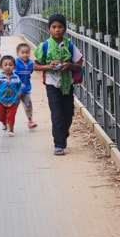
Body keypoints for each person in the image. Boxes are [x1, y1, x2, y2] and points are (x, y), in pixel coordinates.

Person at [33, 14, 83, 155]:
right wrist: (49, 66)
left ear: (65, 29)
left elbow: (79, 66)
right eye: (54, 27)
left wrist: (69, 65)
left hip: (68, 84)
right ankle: (59, 144)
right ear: (49, 29)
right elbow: (35, 66)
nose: (57, 30)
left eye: (60, 27)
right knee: (57, 114)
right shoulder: (44, 46)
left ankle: (63, 133)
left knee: (68, 113)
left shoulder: (70, 46)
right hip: (52, 85)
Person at [0, 55, 23, 137]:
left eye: (10, 65)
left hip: (13, 101)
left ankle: (11, 130)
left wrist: (19, 92)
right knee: (1, 117)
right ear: (1, 67)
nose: (8, 67)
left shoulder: (16, 78)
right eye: (6, 65)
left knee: (11, 117)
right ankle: (4, 122)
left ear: (14, 67)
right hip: (2, 101)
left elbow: (20, 86)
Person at [14, 43, 38, 129]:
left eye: (27, 52)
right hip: (16, 90)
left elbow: (30, 72)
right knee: (13, 107)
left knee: (28, 106)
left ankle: (30, 121)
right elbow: (13, 74)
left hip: (26, 90)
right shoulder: (16, 63)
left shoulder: (31, 63)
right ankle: (9, 120)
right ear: (18, 53)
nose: (25, 54)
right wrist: (19, 83)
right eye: (22, 52)